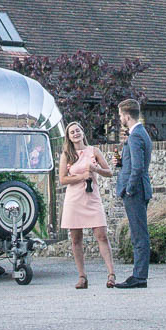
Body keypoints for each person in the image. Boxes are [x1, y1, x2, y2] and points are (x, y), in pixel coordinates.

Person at [58, 121, 116, 289]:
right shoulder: (66, 155)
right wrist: (81, 176)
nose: (75, 133)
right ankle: (82, 276)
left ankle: (111, 274)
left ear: (83, 132)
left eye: (77, 130)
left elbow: (109, 172)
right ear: (68, 137)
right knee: (76, 239)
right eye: (72, 132)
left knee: (102, 235)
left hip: (92, 198)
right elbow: (63, 179)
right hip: (74, 200)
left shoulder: (94, 151)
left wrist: (95, 169)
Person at [114, 98, 153, 289]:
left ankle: (139, 276)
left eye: (120, 115)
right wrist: (121, 163)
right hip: (138, 189)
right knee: (138, 233)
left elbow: (138, 167)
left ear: (127, 116)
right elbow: (134, 163)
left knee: (139, 234)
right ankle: (138, 274)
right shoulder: (138, 133)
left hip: (135, 191)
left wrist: (129, 188)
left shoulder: (136, 135)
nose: (120, 118)